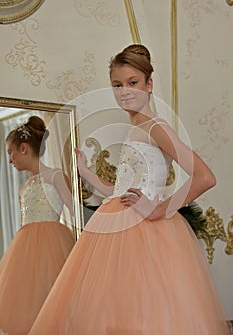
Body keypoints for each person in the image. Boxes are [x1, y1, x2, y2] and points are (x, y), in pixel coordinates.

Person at [28, 45, 230, 334]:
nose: (124, 91)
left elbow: (204, 177)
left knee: (144, 316)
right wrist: (86, 172)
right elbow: (121, 190)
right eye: (117, 85)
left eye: (132, 83)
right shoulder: (136, 126)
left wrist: (160, 208)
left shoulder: (155, 126)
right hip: (117, 228)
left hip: (145, 234)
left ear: (149, 84)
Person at [0, 116, 76, 335]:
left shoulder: (55, 176)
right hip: (24, 250)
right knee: (28, 301)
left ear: (23, 148)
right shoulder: (23, 187)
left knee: (55, 300)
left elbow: (74, 210)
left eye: (10, 152)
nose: (10, 160)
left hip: (54, 245)